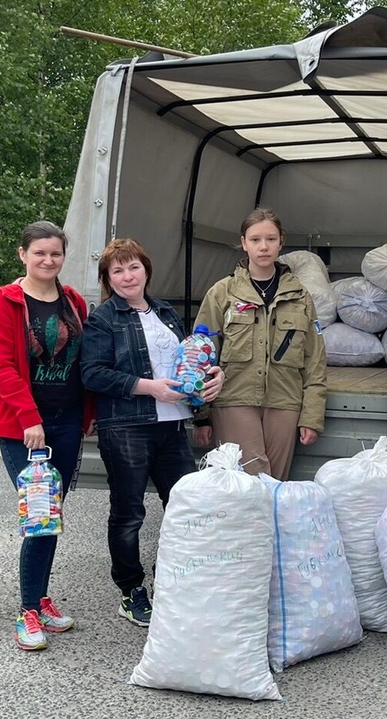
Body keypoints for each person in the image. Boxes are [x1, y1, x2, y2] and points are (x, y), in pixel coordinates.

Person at [81, 238, 224, 628]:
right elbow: (92, 374)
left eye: (134, 267)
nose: (128, 276)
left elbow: (189, 359)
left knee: (186, 506)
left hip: (173, 422)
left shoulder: (165, 312)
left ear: (146, 269)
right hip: (127, 427)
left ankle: (175, 576)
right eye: (118, 270)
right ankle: (130, 591)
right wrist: (150, 387)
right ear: (108, 278)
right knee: (129, 514)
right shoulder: (103, 319)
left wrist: (213, 376)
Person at [0, 220, 95, 652]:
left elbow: (85, 361)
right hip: (23, 427)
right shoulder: (5, 302)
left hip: (66, 422)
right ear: (23, 255)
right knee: (41, 516)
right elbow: (1, 368)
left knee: (52, 517)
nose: (48, 260)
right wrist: (30, 417)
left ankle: (41, 598)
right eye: (39, 253)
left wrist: (89, 413)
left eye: (56, 254)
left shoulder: (73, 302)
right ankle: (28, 610)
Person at [192, 207, 327, 481]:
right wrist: (201, 415)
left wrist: (312, 415)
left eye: (270, 239)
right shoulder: (222, 293)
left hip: (284, 401)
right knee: (250, 479)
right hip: (234, 399)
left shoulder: (300, 296)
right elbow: (201, 356)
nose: (263, 247)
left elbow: (315, 361)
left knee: (276, 482)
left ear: (281, 242)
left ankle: (268, 526)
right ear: (243, 243)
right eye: (255, 240)